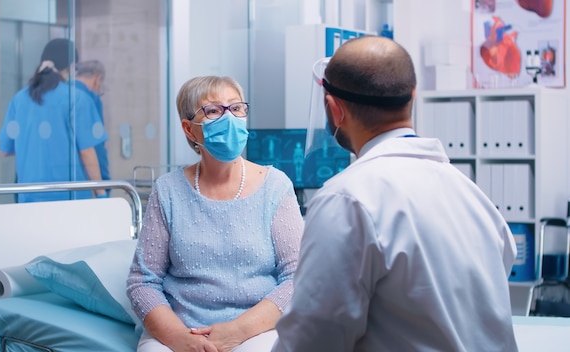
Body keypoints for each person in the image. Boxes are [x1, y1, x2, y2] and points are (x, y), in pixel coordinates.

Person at [273, 36, 518, 351]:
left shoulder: (347, 200)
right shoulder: (473, 197)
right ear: (412, 96)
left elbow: (313, 339)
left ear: (335, 109)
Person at [127, 75, 304, 352]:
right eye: (213, 111)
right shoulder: (168, 190)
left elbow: (298, 276)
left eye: (236, 108)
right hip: (180, 328)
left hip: (255, 329)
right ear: (189, 129)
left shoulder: (275, 186)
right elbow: (142, 282)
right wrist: (179, 338)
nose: (229, 118)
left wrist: (237, 331)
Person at [0, 38, 107, 202]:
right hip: (70, 197)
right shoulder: (76, 99)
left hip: (29, 197)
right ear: (71, 67)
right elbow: (87, 152)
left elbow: (5, 150)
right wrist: (101, 193)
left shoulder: (19, 99)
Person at [75, 60, 110, 188]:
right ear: (97, 78)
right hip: (83, 181)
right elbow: (95, 146)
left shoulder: (59, 92)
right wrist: (104, 184)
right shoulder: (89, 99)